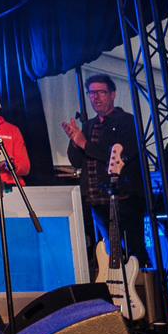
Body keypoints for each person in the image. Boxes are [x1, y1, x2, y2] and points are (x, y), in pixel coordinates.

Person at [64, 74, 145, 265]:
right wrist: (75, 141)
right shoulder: (89, 125)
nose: (96, 97)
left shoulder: (127, 122)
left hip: (123, 198)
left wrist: (84, 144)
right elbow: (77, 162)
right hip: (96, 199)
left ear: (113, 94)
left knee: (134, 251)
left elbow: (118, 156)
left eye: (101, 92)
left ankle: (142, 282)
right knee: (108, 252)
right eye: (92, 93)